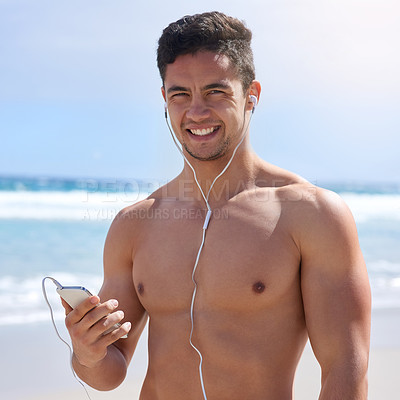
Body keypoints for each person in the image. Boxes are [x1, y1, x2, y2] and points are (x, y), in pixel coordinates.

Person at [61, 11, 371, 400]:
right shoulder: (135, 223)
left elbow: (346, 369)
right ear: (164, 100)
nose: (196, 112)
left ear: (251, 95)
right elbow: (108, 372)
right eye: (180, 95)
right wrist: (87, 353)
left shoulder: (310, 215)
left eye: (216, 92)